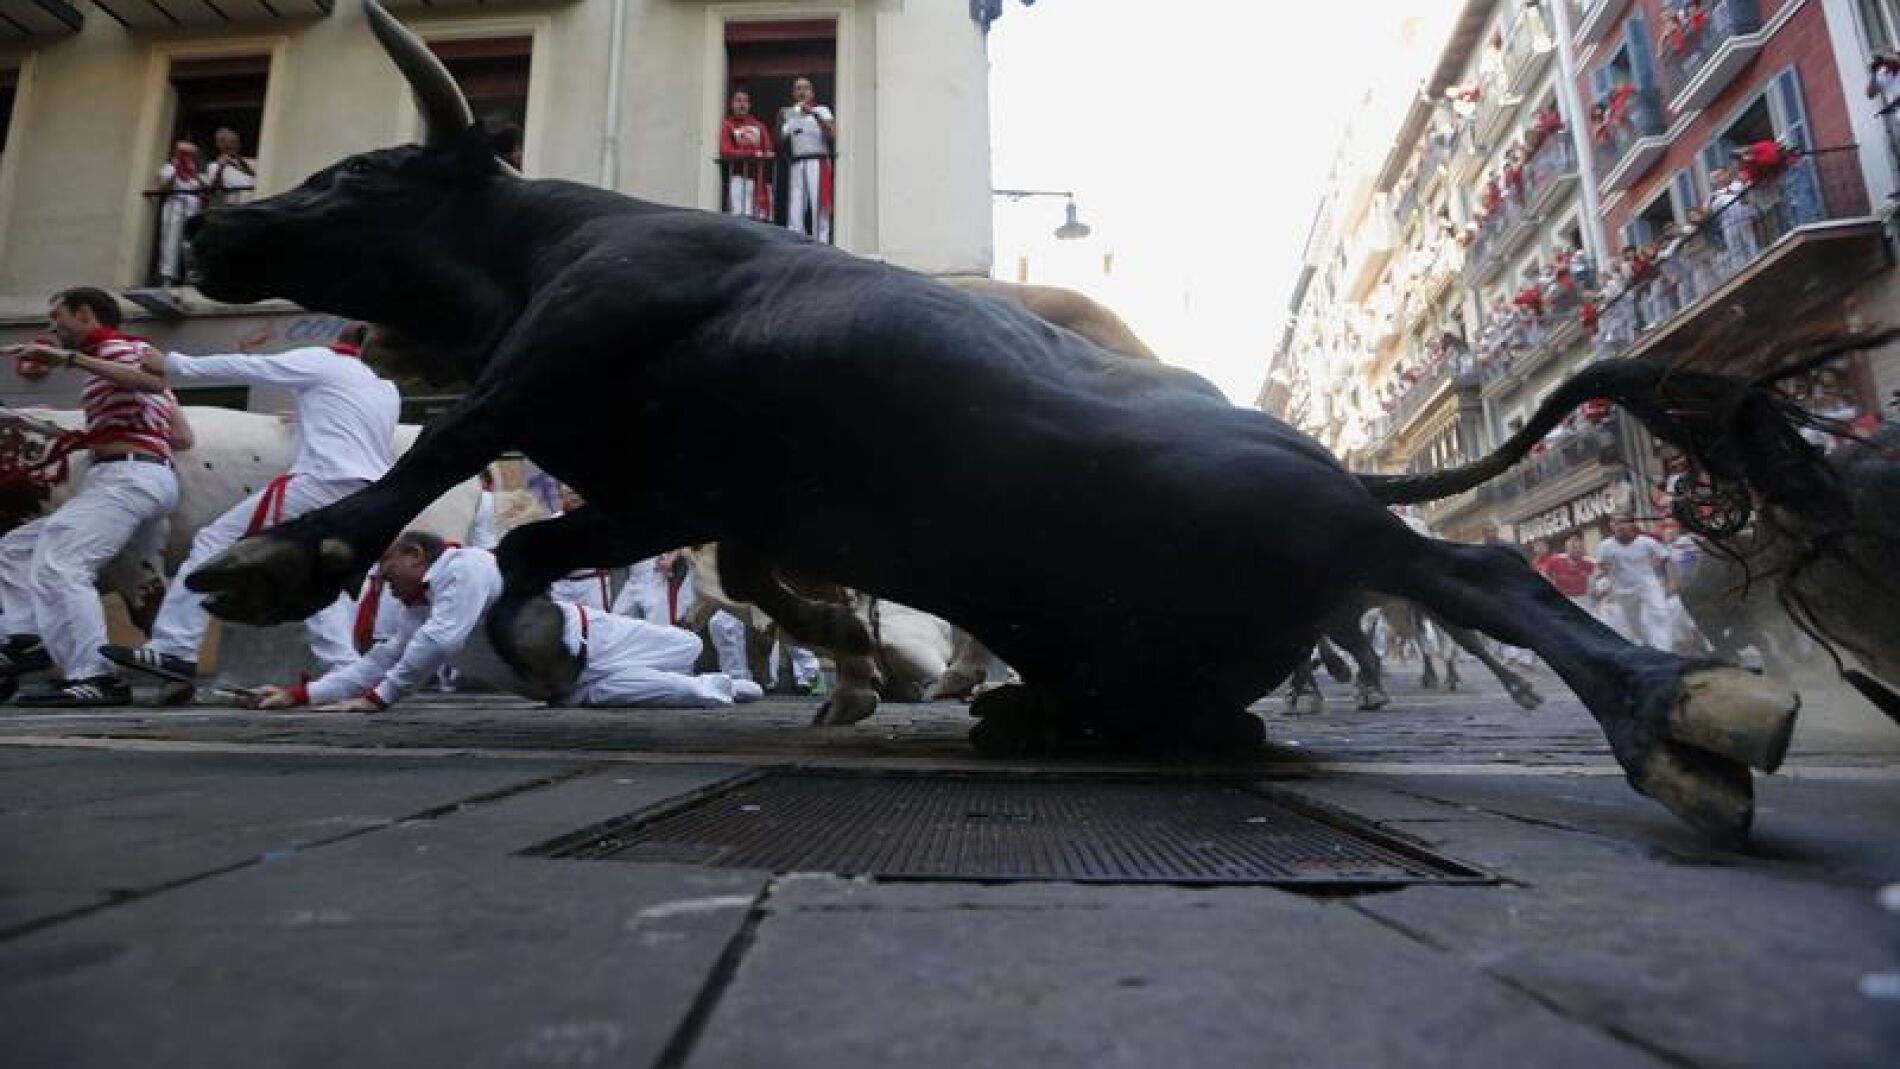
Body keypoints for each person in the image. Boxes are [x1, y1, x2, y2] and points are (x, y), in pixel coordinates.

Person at [100, 323, 400, 699]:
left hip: (320, 482)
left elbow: (252, 367)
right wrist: (305, 417)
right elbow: (348, 428)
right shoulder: (385, 387)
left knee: (216, 540)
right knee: (322, 577)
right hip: (364, 492)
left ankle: (174, 649)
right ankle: (343, 667)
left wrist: (173, 363)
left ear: (342, 341)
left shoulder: (325, 362)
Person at [246, 531, 762, 712]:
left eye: (387, 572)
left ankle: (717, 679)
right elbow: (382, 659)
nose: (384, 585)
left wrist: (379, 700)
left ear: (413, 554)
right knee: (690, 693)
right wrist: (302, 696)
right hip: (571, 687)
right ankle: (721, 688)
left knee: (687, 648)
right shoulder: (418, 606)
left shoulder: (465, 567)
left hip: (593, 636)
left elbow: (441, 638)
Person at [0, 288, 188, 706]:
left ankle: (94, 677)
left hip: (127, 477)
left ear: (85, 314)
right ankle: (25, 636)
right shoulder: (121, 357)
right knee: (16, 547)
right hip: (146, 477)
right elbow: (182, 437)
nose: (52, 328)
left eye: (57, 317)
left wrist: (70, 360)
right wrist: (102, 433)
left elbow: (151, 379)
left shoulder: (122, 349)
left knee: (62, 563)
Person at [1593, 513, 1673, 650]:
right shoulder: (1605, 546)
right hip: (1623, 591)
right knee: (1635, 625)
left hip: (1648, 586)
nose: (1620, 526)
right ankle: (1646, 646)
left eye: (1623, 522)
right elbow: (1600, 568)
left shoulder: (1647, 542)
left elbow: (1666, 559)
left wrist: (1671, 582)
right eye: (1616, 523)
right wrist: (1600, 586)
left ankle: (1665, 650)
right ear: (1611, 526)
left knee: (1661, 614)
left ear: (1632, 525)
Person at [778, 76, 836, 242]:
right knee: (796, 204)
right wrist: (780, 118)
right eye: (798, 88)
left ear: (812, 92)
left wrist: (814, 114)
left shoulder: (822, 110)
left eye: (805, 88)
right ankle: (796, 239)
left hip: (817, 161)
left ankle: (822, 241)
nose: (802, 91)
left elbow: (832, 134)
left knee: (819, 204)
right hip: (797, 162)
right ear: (793, 93)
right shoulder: (791, 114)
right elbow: (780, 139)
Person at [719, 88, 775, 221]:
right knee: (740, 218)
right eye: (738, 101)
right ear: (732, 104)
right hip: (738, 178)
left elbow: (768, 149)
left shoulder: (759, 126)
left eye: (745, 101)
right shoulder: (728, 125)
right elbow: (726, 151)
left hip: (759, 180)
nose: (742, 105)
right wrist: (753, 154)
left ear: (749, 105)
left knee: (760, 219)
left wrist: (762, 154)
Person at [154, 142, 204, 286]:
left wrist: (192, 173)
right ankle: (167, 278)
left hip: (192, 208)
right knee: (171, 242)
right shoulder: (168, 169)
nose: (189, 158)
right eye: (185, 154)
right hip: (175, 206)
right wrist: (177, 170)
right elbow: (162, 187)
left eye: (192, 155)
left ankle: (190, 275)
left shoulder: (195, 172)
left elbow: (203, 189)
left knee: (189, 243)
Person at [204, 127, 258, 209]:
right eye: (230, 142)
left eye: (235, 142)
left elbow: (257, 176)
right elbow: (215, 189)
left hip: (254, 204)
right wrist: (221, 168)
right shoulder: (214, 166)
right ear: (220, 145)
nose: (234, 145)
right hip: (234, 207)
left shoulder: (250, 162)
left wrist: (239, 164)